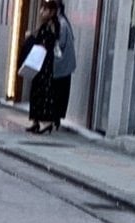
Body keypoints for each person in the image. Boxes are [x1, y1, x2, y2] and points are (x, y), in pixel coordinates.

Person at [23, 0, 60, 132]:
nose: (41, 12)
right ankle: (36, 121)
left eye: (45, 10)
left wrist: (31, 38)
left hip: (45, 64)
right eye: (41, 9)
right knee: (36, 90)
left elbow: (46, 43)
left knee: (44, 92)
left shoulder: (53, 26)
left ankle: (46, 122)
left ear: (52, 12)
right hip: (39, 63)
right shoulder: (44, 25)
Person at [51, 0, 76, 128]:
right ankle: (56, 119)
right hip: (66, 66)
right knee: (61, 94)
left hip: (61, 66)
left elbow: (58, 44)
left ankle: (54, 118)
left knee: (56, 93)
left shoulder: (60, 24)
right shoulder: (64, 22)